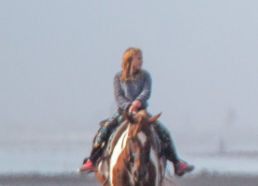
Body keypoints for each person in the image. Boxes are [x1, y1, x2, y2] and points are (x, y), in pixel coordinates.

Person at [79, 48, 195, 176]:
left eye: (141, 58)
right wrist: (128, 105)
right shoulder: (118, 77)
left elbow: (146, 91)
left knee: (163, 132)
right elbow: (118, 95)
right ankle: (92, 160)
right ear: (130, 60)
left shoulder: (145, 75)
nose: (141, 61)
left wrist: (137, 102)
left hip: (141, 112)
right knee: (104, 130)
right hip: (124, 111)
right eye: (138, 58)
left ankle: (176, 163)